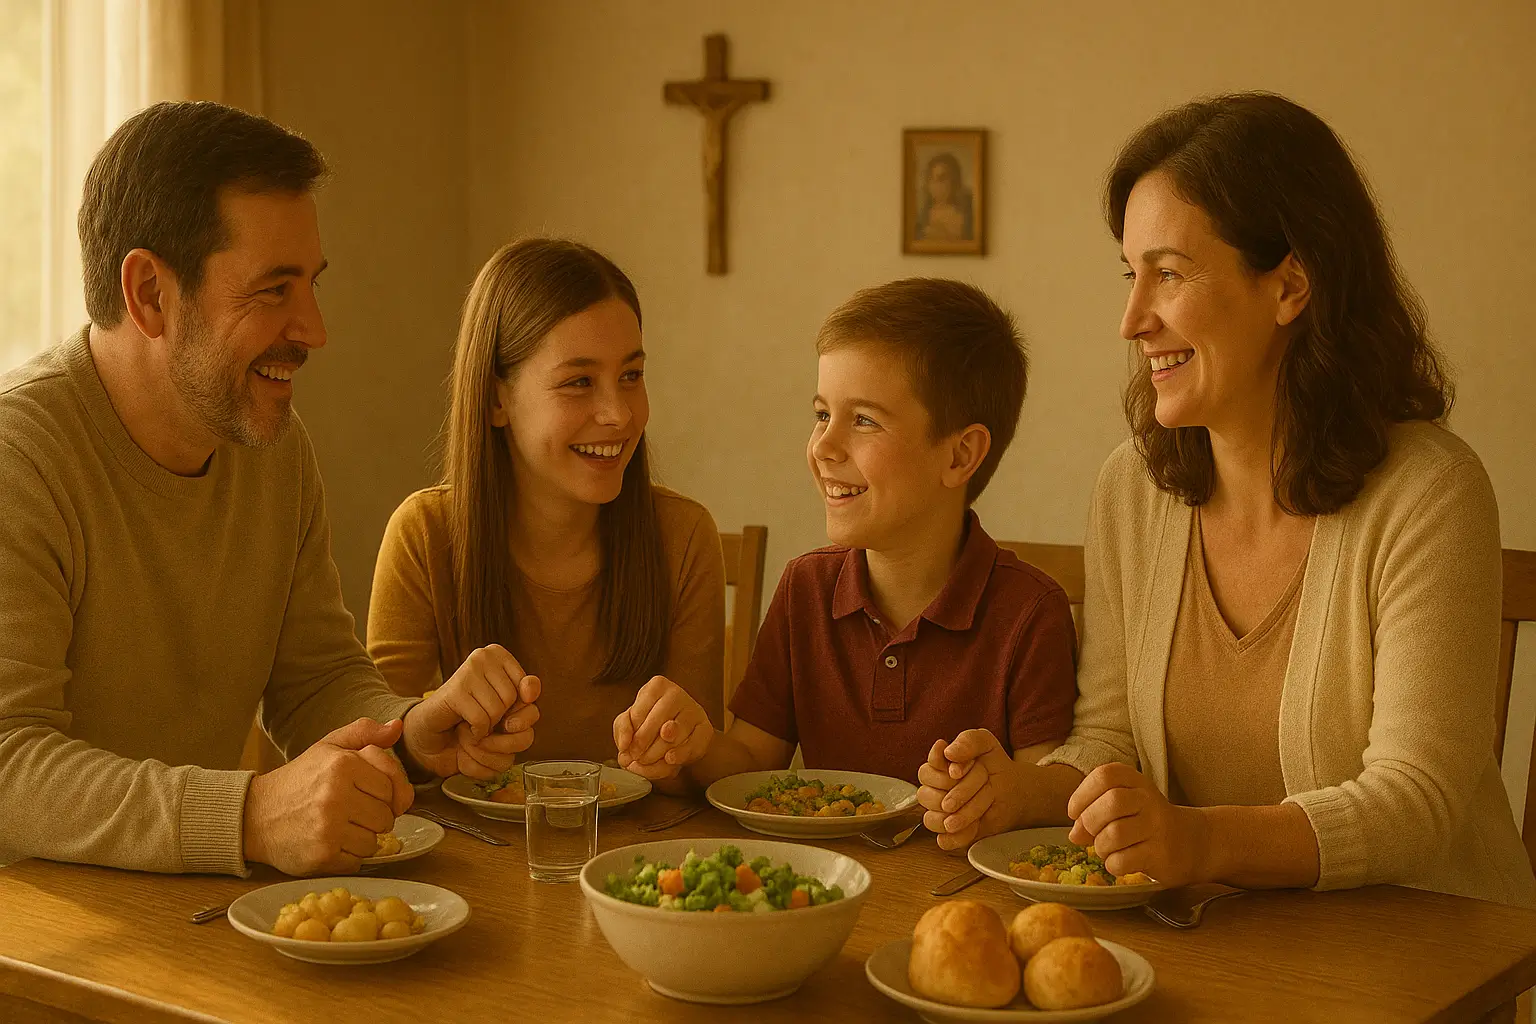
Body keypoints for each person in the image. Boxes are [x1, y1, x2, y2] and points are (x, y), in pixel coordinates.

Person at [921, 93, 1536, 908]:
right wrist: (1019, 791)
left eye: (1168, 274)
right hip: (1220, 943)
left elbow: (1416, 802)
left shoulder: (1430, 492)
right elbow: (1113, 737)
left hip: (1425, 957)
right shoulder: (1131, 489)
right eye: (1129, 274)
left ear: (1290, 286)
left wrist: (1200, 839)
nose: (1132, 320)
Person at [0, 101, 535, 878]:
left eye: (311, 285)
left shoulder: (272, 449)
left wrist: (414, 732)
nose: (314, 329)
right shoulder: (21, 457)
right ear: (150, 293)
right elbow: (9, 765)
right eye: (273, 290)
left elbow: (314, 678)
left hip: (184, 915)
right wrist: (247, 817)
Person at [613, 278, 1077, 789]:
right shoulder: (805, 590)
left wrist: (996, 792)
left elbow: (1043, 802)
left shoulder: (1031, 614)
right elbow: (750, 761)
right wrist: (696, 744)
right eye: (822, 415)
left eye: (864, 420)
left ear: (960, 454)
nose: (824, 446)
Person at [367, 238, 725, 775]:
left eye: (631, 375)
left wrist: (683, 747)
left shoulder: (685, 537)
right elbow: (379, 754)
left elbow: (699, 772)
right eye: (579, 382)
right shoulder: (424, 534)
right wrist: (430, 723)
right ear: (496, 399)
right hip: (473, 852)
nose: (618, 415)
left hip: (638, 853)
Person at [916, 152, 973, 243]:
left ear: (955, 181)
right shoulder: (922, 217)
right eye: (931, 179)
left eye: (941, 179)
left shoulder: (968, 217)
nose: (935, 185)